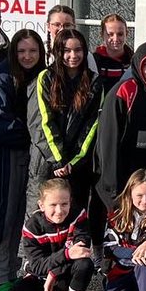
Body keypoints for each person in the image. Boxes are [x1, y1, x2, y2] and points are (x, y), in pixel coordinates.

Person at [0, 28, 45, 291]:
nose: (27, 56)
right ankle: (0, 277)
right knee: (5, 214)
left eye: (33, 50)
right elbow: (0, 122)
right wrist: (32, 134)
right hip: (9, 154)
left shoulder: (43, 76)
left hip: (34, 154)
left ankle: (15, 271)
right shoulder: (3, 76)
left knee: (25, 214)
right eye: (22, 51)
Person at [26, 29, 100, 230]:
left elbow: (92, 125)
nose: (73, 55)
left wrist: (74, 161)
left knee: (73, 219)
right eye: (67, 50)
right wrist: (58, 159)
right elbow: (41, 122)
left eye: (78, 50)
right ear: (58, 52)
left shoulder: (94, 82)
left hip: (76, 166)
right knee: (40, 218)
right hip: (46, 162)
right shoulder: (45, 78)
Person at [1, 178, 96, 291]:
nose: (59, 210)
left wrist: (54, 273)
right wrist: (66, 254)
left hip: (64, 274)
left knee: (85, 264)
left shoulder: (79, 215)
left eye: (64, 204)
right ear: (41, 205)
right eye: (53, 205)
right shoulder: (32, 226)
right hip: (38, 276)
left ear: (70, 202)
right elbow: (37, 266)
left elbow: (82, 251)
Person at [95, 42, 146, 214]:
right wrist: (112, 186)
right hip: (122, 170)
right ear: (137, 64)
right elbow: (108, 140)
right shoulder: (124, 90)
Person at [89, 13, 133, 95]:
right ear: (102, 35)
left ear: (126, 34)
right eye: (110, 34)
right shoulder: (93, 61)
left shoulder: (133, 62)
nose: (115, 39)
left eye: (120, 34)